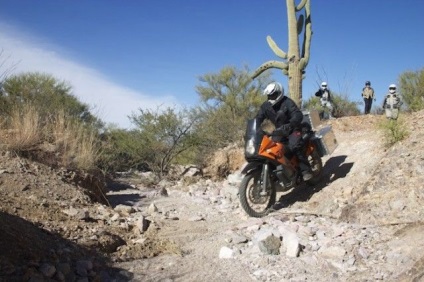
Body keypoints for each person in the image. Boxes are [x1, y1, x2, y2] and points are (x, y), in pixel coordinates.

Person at [256, 82, 313, 181]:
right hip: (279, 131)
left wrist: (290, 124)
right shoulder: (266, 106)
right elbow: (258, 118)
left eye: (273, 95)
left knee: (295, 145)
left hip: (293, 128)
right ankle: (279, 173)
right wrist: (255, 129)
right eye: (269, 95)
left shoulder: (287, 102)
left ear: (279, 93)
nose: (271, 97)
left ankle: (305, 170)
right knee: (272, 150)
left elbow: (298, 114)